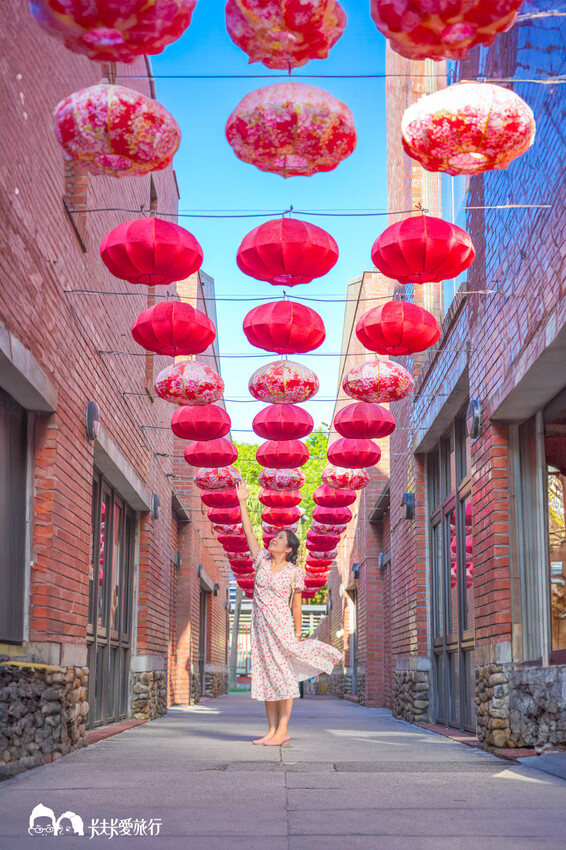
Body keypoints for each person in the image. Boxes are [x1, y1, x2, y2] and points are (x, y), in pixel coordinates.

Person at [236, 481, 342, 746]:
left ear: (289, 549)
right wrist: (241, 501)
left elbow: (297, 606)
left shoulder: (295, 572)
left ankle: (283, 730)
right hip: (260, 631)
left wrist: (296, 633)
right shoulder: (260, 560)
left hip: (282, 629)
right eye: (275, 536)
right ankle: (271, 731)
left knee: (282, 677)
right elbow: (249, 533)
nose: (274, 538)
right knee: (266, 678)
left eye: (280, 538)